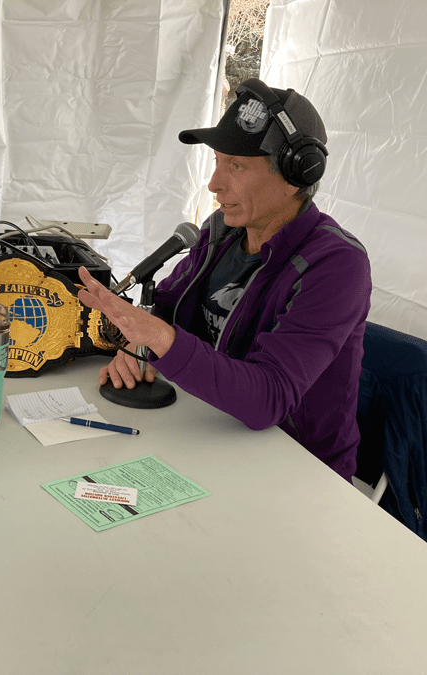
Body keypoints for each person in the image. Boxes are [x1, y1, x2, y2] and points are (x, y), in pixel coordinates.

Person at [78, 79, 371, 482]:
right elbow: (167, 304)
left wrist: (159, 338)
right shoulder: (223, 231)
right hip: (209, 433)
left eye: (236, 166)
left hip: (294, 473)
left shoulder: (337, 266)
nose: (215, 184)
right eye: (216, 161)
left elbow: (270, 398)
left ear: (296, 174)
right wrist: (135, 340)